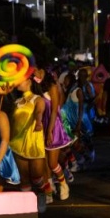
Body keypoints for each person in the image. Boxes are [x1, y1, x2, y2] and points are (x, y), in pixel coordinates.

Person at [9, 76, 53, 206]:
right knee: (24, 178)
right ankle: (26, 205)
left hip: (33, 143)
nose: (16, 82)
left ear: (28, 82)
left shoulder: (38, 99)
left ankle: (43, 192)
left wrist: (38, 121)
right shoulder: (16, 102)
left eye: (20, 80)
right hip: (17, 143)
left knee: (37, 176)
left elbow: (39, 111)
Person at [34, 67, 75, 198]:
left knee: (52, 163)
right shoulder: (36, 86)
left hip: (53, 126)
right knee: (44, 162)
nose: (33, 72)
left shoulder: (52, 87)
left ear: (42, 69)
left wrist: (50, 131)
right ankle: (49, 190)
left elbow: (54, 112)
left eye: (35, 69)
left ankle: (63, 184)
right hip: (41, 126)